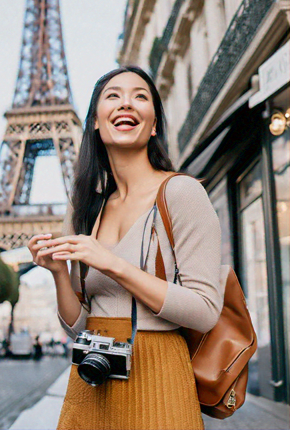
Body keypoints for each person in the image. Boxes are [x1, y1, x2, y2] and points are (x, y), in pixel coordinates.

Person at [28, 66, 223, 430]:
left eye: (140, 96)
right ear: (96, 124)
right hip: (92, 381)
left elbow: (206, 310)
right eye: (113, 96)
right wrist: (57, 273)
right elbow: (81, 325)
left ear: (152, 126)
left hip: (157, 377)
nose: (126, 103)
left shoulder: (181, 193)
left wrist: (113, 264)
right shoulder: (88, 209)